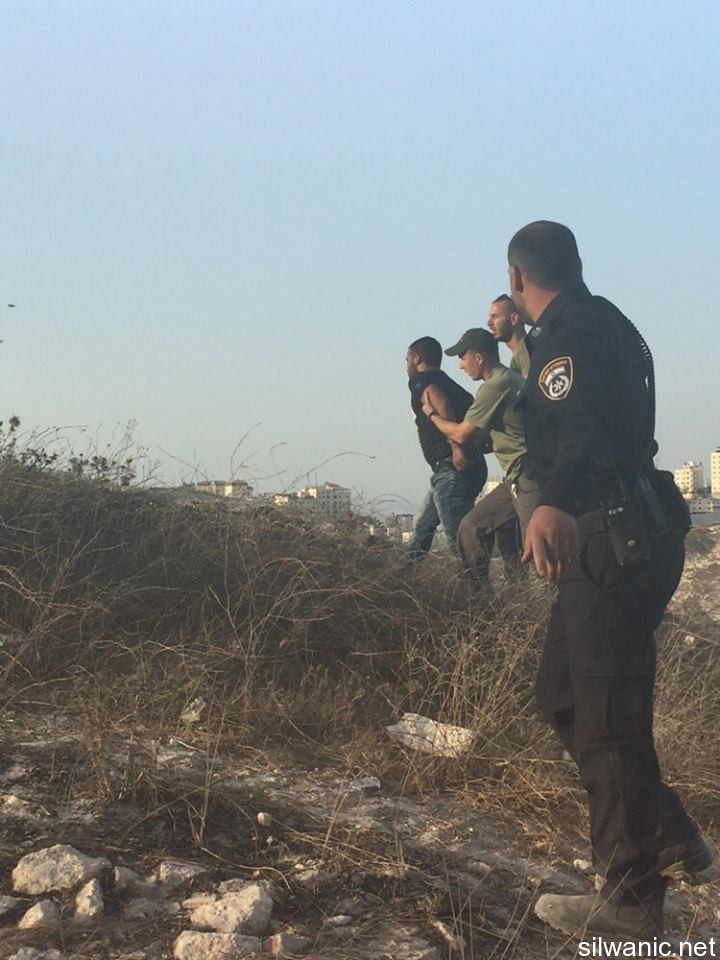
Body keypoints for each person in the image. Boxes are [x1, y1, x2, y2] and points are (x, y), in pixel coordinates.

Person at [506, 221, 711, 943]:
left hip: (611, 541)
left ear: (516, 278)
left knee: (607, 717)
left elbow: (584, 425)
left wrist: (556, 501)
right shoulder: (601, 321)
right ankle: (668, 834)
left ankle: (630, 900)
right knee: (563, 694)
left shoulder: (571, 337)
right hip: (618, 538)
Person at [420, 328, 540, 583]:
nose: (461, 366)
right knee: (472, 528)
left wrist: (431, 414)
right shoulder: (507, 379)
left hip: (528, 476)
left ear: (479, 358)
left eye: (463, 358)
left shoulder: (495, 386)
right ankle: (480, 598)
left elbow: (462, 433)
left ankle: (555, 603)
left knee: (541, 552)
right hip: (516, 479)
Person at [404, 337, 487, 562]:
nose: (406, 365)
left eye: (407, 359)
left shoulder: (421, 381)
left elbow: (442, 404)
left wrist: (456, 447)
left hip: (452, 467)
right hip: (459, 468)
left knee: (458, 539)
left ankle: (476, 583)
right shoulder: (451, 384)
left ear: (416, 358)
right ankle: (404, 575)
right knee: (422, 527)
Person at [487, 293, 530, 378]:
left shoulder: (526, 351)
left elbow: (533, 384)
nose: (489, 323)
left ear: (514, 319)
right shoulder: (519, 354)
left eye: (495, 317)